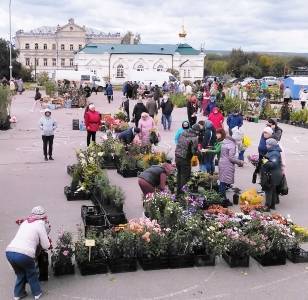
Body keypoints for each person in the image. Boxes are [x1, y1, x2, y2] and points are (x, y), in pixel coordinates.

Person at [6, 206, 50, 300]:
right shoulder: (40, 224)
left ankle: (18, 294)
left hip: (9, 251)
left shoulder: (25, 222)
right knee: (31, 273)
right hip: (24, 254)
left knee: (20, 274)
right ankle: (37, 293)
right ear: (43, 217)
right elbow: (46, 245)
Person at [218, 134, 244, 205]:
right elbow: (231, 158)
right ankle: (223, 200)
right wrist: (240, 162)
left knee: (222, 181)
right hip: (227, 164)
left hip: (222, 163)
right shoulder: (232, 145)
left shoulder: (225, 142)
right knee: (223, 182)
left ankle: (222, 198)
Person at [175, 124, 200, 193]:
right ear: (197, 131)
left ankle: (178, 192)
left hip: (177, 156)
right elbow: (193, 151)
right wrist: (200, 152)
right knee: (185, 176)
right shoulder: (194, 138)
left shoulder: (183, 132)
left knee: (179, 174)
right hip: (185, 158)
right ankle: (183, 194)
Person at [260, 138, 283, 211]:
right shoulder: (272, 151)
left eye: (267, 144)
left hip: (272, 175)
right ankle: (272, 205)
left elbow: (273, 164)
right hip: (273, 174)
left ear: (271, 145)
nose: (266, 145)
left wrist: (264, 161)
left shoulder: (274, 153)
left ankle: (267, 206)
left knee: (268, 190)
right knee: (272, 190)